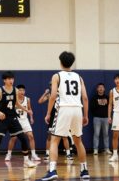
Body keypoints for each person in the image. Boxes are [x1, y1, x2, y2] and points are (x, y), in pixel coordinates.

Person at [41, 51, 90, 180]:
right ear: (72, 62)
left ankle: (52, 170)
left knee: (54, 140)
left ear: (61, 62)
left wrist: (48, 113)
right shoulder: (79, 77)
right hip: (77, 109)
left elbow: (52, 96)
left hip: (64, 109)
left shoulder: (56, 76)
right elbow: (85, 98)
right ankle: (84, 170)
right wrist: (85, 115)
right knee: (78, 141)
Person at [0, 71, 36, 169]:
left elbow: (17, 104)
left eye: (12, 79)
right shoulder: (0, 91)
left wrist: (27, 110)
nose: (11, 80)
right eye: (9, 79)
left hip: (13, 118)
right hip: (2, 119)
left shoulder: (16, 90)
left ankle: (26, 161)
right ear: (4, 80)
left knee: (23, 138)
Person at [4, 84, 41, 161]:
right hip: (16, 120)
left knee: (31, 136)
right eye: (20, 90)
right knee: (13, 138)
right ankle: (8, 154)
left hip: (24, 120)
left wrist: (31, 118)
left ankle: (33, 154)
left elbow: (30, 109)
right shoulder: (13, 99)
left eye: (23, 90)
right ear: (17, 91)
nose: (22, 92)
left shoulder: (27, 99)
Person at [38, 83, 74, 161]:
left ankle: (68, 154)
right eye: (51, 85)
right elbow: (40, 101)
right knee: (49, 136)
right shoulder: (49, 95)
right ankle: (47, 154)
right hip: (52, 117)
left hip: (62, 116)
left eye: (54, 85)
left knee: (64, 136)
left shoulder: (63, 94)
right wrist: (45, 93)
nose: (52, 86)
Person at [91, 83, 111, 155]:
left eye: (102, 87)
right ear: (97, 89)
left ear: (104, 89)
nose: (101, 88)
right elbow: (92, 108)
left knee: (106, 134)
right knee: (96, 134)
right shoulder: (94, 98)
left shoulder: (107, 97)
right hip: (97, 118)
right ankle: (95, 149)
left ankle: (107, 149)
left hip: (106, 118)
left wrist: (109, 116)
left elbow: (110, 107)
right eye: (99, 87)